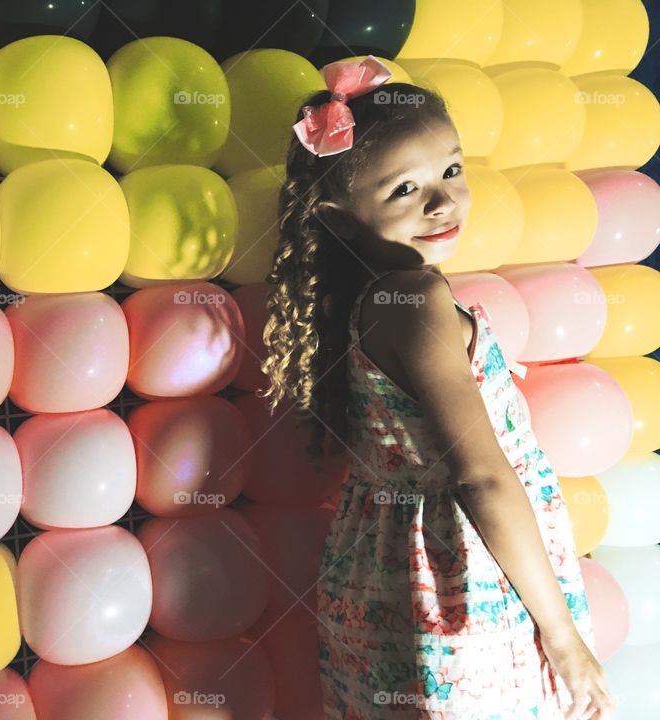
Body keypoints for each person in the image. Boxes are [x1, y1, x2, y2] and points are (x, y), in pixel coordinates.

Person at [258, 56, 615, 719]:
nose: (442, 201)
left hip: (380, 587)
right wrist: (562, 636)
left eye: (451, 170)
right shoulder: (414, 298)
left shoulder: (359, 297)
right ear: (338, 215)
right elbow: (481, 477)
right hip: (463, 584)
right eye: (404, 189)